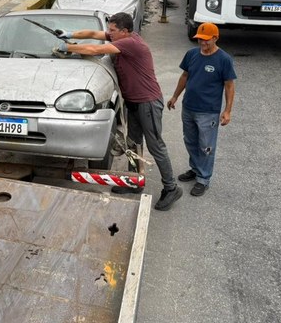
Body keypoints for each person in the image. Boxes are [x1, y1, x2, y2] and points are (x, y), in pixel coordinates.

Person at [53, 12, 182, 211]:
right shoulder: (119, 37)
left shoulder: (130, 43)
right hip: (133, 102)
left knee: (156, 146)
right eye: (109, 30)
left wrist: (68, 47)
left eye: (113, 30)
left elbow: (94, 48)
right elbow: (94, 34)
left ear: (125, 31)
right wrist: (70, 33)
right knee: (132, 143)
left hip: (148, 103)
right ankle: (132, 181)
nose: (109, 33)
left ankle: (171, 188)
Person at [167, 22, 236, 197]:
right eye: (200, 40)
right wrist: (175, 96)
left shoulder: (224, 60)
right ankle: (195, 168)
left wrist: (227, 110)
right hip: (188, 107)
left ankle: (203, 179)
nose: (202, 43)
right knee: (190, 141)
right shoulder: (191, 54)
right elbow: (185, 76)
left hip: (208, 111)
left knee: (206, 146)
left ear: (215, 38)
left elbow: (229, 86)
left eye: (206, 40)